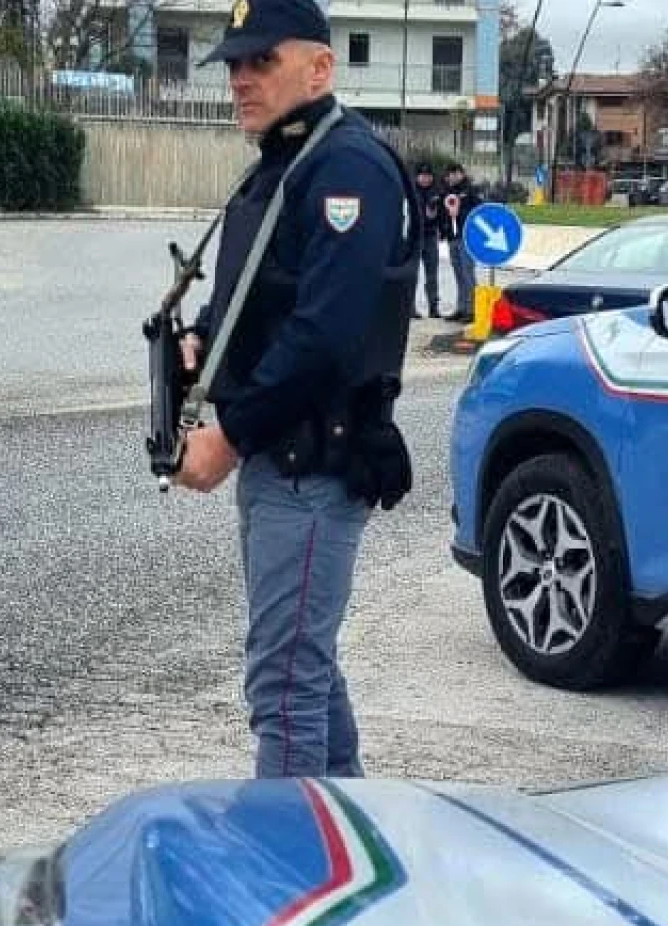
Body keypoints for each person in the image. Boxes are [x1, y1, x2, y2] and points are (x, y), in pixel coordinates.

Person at [172, 0, 419, 779]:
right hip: (277, 462)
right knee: (303, 669)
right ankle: (348, 842)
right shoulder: (285, 163)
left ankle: (294, 879)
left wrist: (228, 435)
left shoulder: (344, 168)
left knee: (284, 686)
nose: (242, 79)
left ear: (320, 67)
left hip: (311, 464)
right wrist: (203, 337)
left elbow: (326, 335)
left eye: (262, 61)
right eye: (235, 65)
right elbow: (256, 287)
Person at [438, 161, 482, 321]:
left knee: (467, 273)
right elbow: (443, 214)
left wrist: (460, 212)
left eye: (455, 173)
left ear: (461, 174)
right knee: (458, 274)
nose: (452, 176)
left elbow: (478, 212)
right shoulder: (446, 191)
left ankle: (473, 310)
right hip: (452, 238)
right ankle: (462, 308)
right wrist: (443, 231)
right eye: (449, 174)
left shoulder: (470, 191)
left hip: (466, 237)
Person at [412, 162, 443, 319]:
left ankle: (433, 307)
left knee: (432, 274)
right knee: (412, 274)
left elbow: (444, 214)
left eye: (428, 176)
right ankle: (411, 308)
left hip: (431, 236)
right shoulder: (410, 191)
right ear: (417, 176)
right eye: (422, 176)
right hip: (414, 237)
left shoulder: (437, 192)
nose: (425, 179)